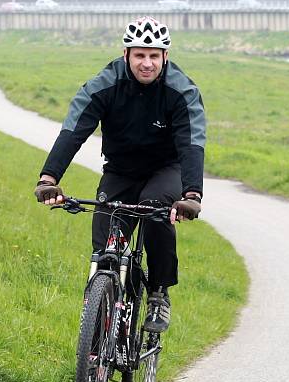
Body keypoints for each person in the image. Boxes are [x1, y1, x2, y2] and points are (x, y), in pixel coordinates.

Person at [34, 16, 205, 334]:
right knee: (104, 249)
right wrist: (48, 178)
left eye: (154, 56)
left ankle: (158, 293)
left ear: (165, 58)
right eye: (140, 55)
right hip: (120, 171)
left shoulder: (182, 91)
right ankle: (99, 326)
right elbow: (74, 130)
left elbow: (192, 143)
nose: (147, 63)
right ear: (126, 54)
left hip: (165, 169)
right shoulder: (105, 84)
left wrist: (192, 194)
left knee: (156, 210)